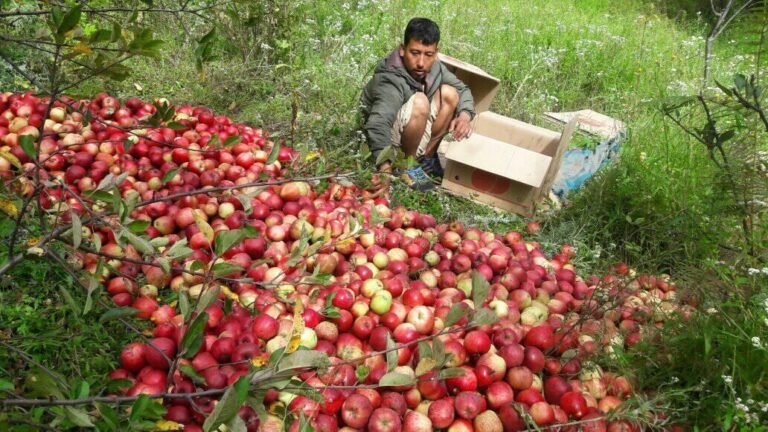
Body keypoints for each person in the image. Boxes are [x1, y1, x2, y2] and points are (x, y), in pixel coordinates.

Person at [360, 17, 476, 196]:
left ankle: (423, 160)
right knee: (420, 101)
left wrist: (465, 115)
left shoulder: (435, 67)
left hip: (408, 134)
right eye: (414, 53)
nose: (421, 62)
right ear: (402, 49)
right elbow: (378, 124)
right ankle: (407, 166)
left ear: (436, 53)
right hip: (381, 141)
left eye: (428, 54)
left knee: (451, 94)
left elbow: (463, 89)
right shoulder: (390, 79)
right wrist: (384, 167)